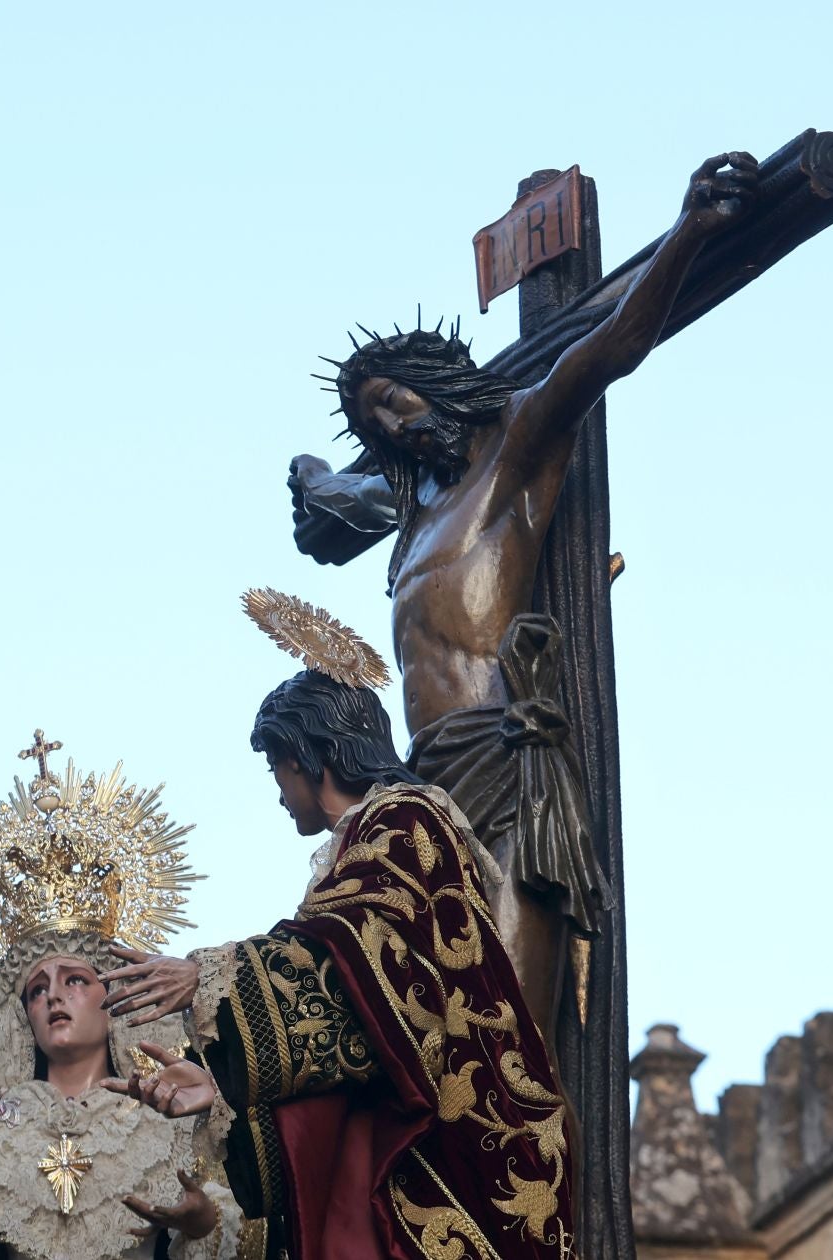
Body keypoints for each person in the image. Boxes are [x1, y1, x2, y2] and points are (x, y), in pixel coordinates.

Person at [287, 152, 762, 1040]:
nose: (391, 425)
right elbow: (332, 497)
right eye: (373, 422)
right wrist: (310, 476)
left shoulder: (513, 462)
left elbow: (608, 350)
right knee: (432, 1041)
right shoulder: (408, 511)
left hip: (505, 771)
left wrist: (693, 231)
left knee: (510, 1032)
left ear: (441, 386)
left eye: (395, 400)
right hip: (424, 791)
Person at [100, 596, 575, 1260]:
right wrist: (225, 1089)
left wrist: (209, 975)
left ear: (311, 756)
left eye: (278, 769)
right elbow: (365, 1028)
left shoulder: (406, 821)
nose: (278, 792)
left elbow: (376, 965)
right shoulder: (364, 844)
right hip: (397, 1144)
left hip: (455, 1151)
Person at [0, 741, 249, 1260]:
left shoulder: (175, 1115)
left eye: (74, 979)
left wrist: (204, 1222)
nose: (53, 994)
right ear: (20, 1019)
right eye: (36, 989)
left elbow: (269, 1228)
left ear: (116, 998)